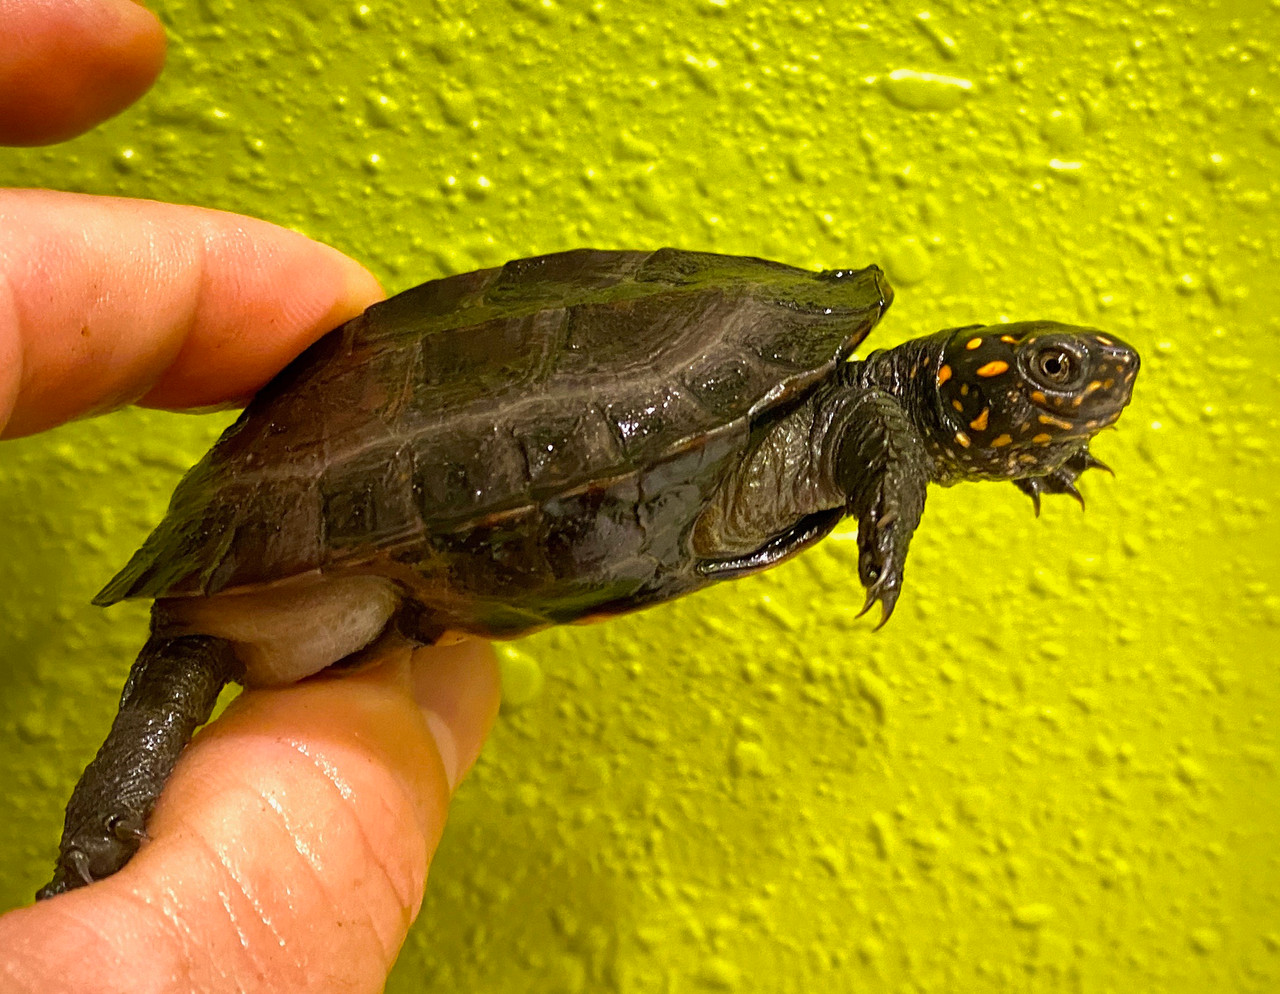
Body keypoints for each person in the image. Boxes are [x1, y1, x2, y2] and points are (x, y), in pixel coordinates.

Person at [0, 2, 502, 990]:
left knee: (171, 682)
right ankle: (86, 868)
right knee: (172, 693)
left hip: (258, 572)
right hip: (281, 579)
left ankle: (84, 868)